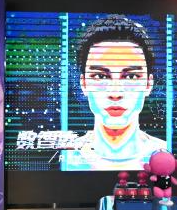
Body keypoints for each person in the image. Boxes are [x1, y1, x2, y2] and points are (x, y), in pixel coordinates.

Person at [61, 14, 167, 170]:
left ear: (148, 84)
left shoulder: (168, 155)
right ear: (83, 83)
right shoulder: (65, 159)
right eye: (100, 76)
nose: (115, 93)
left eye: (131, 76)